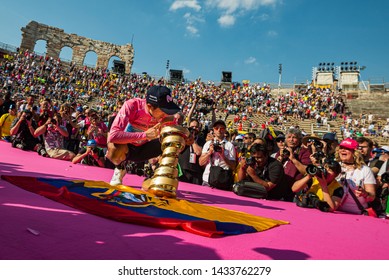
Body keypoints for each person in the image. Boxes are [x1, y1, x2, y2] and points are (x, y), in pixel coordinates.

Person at [107, 85, 182, 186]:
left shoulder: (167, 116)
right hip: (127, 147)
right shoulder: (132, 105)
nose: (166, 114)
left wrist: (187, 136)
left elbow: (175, 136)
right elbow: (113, 135)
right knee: (113, 147)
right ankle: (120, 168)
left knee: (174, 140)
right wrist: (144, 135)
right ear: (150, 106)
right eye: (164, 110)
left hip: (145, 149)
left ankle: (159, 175)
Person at [335, 138, 376, 215]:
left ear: (355, 152)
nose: (343, 150)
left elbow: (372, 197)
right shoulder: (334, 167)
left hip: (357, 214)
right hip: (336, 212)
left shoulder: (365, 170)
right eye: (341, 148)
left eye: (347, 148)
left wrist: (365, 194)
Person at [199, 119, 237, 187]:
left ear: (225, 130)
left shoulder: (229, 145)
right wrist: (209, 152)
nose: (219, 130)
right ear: (213, 129)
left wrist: (223, 155)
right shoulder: (208, 144)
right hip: (207, 179)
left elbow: (233, 166)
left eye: (222, 128)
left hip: (222, 180)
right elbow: (201, 162)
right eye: (216, 128)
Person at [178, 118, 205, 185]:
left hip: (196, 173)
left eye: (196, 127)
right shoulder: (182, 138)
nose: (194, 128)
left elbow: (198, 152)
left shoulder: (201, 140)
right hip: (183, 171)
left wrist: (193, 141)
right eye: (192, 127)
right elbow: (179, 150)